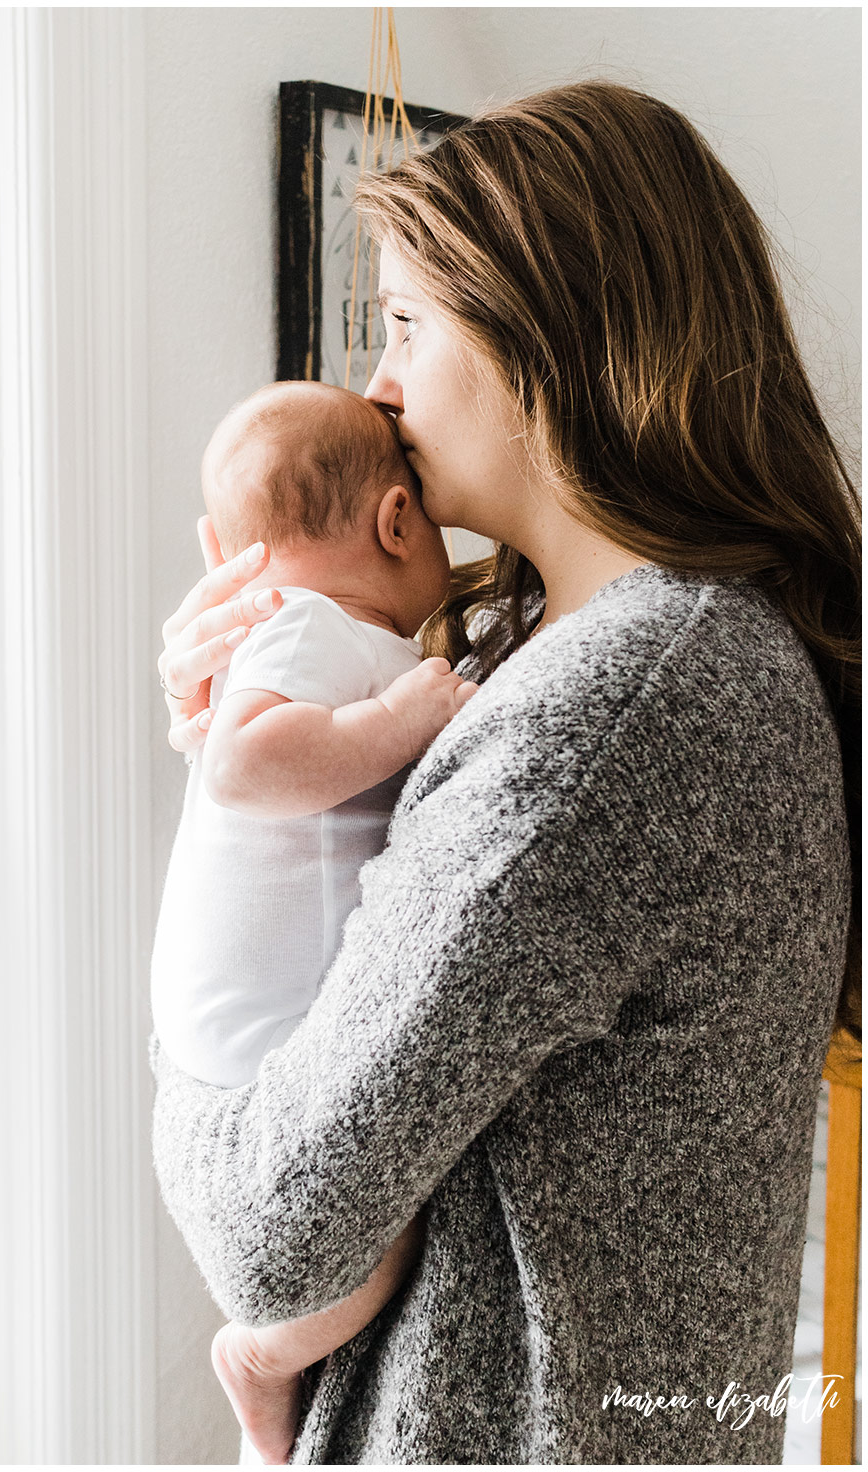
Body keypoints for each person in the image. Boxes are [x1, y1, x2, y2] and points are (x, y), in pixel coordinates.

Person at [151, 80, 860, 1465]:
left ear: (547, 339)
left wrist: (198, 962)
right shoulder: (613, 650)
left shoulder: (615, 709)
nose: (379, 387)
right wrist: (244, 740)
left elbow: (270, 1233)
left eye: (408, 324)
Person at [150, 379, 475, 1462]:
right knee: (375, 1249)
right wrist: (396, 716)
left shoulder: (321, 631)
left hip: (244, 1013)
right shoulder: (310, 627)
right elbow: (240, 763)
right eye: (429, 516)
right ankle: (263, 1351)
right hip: (255, 1029)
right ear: (394, 521)